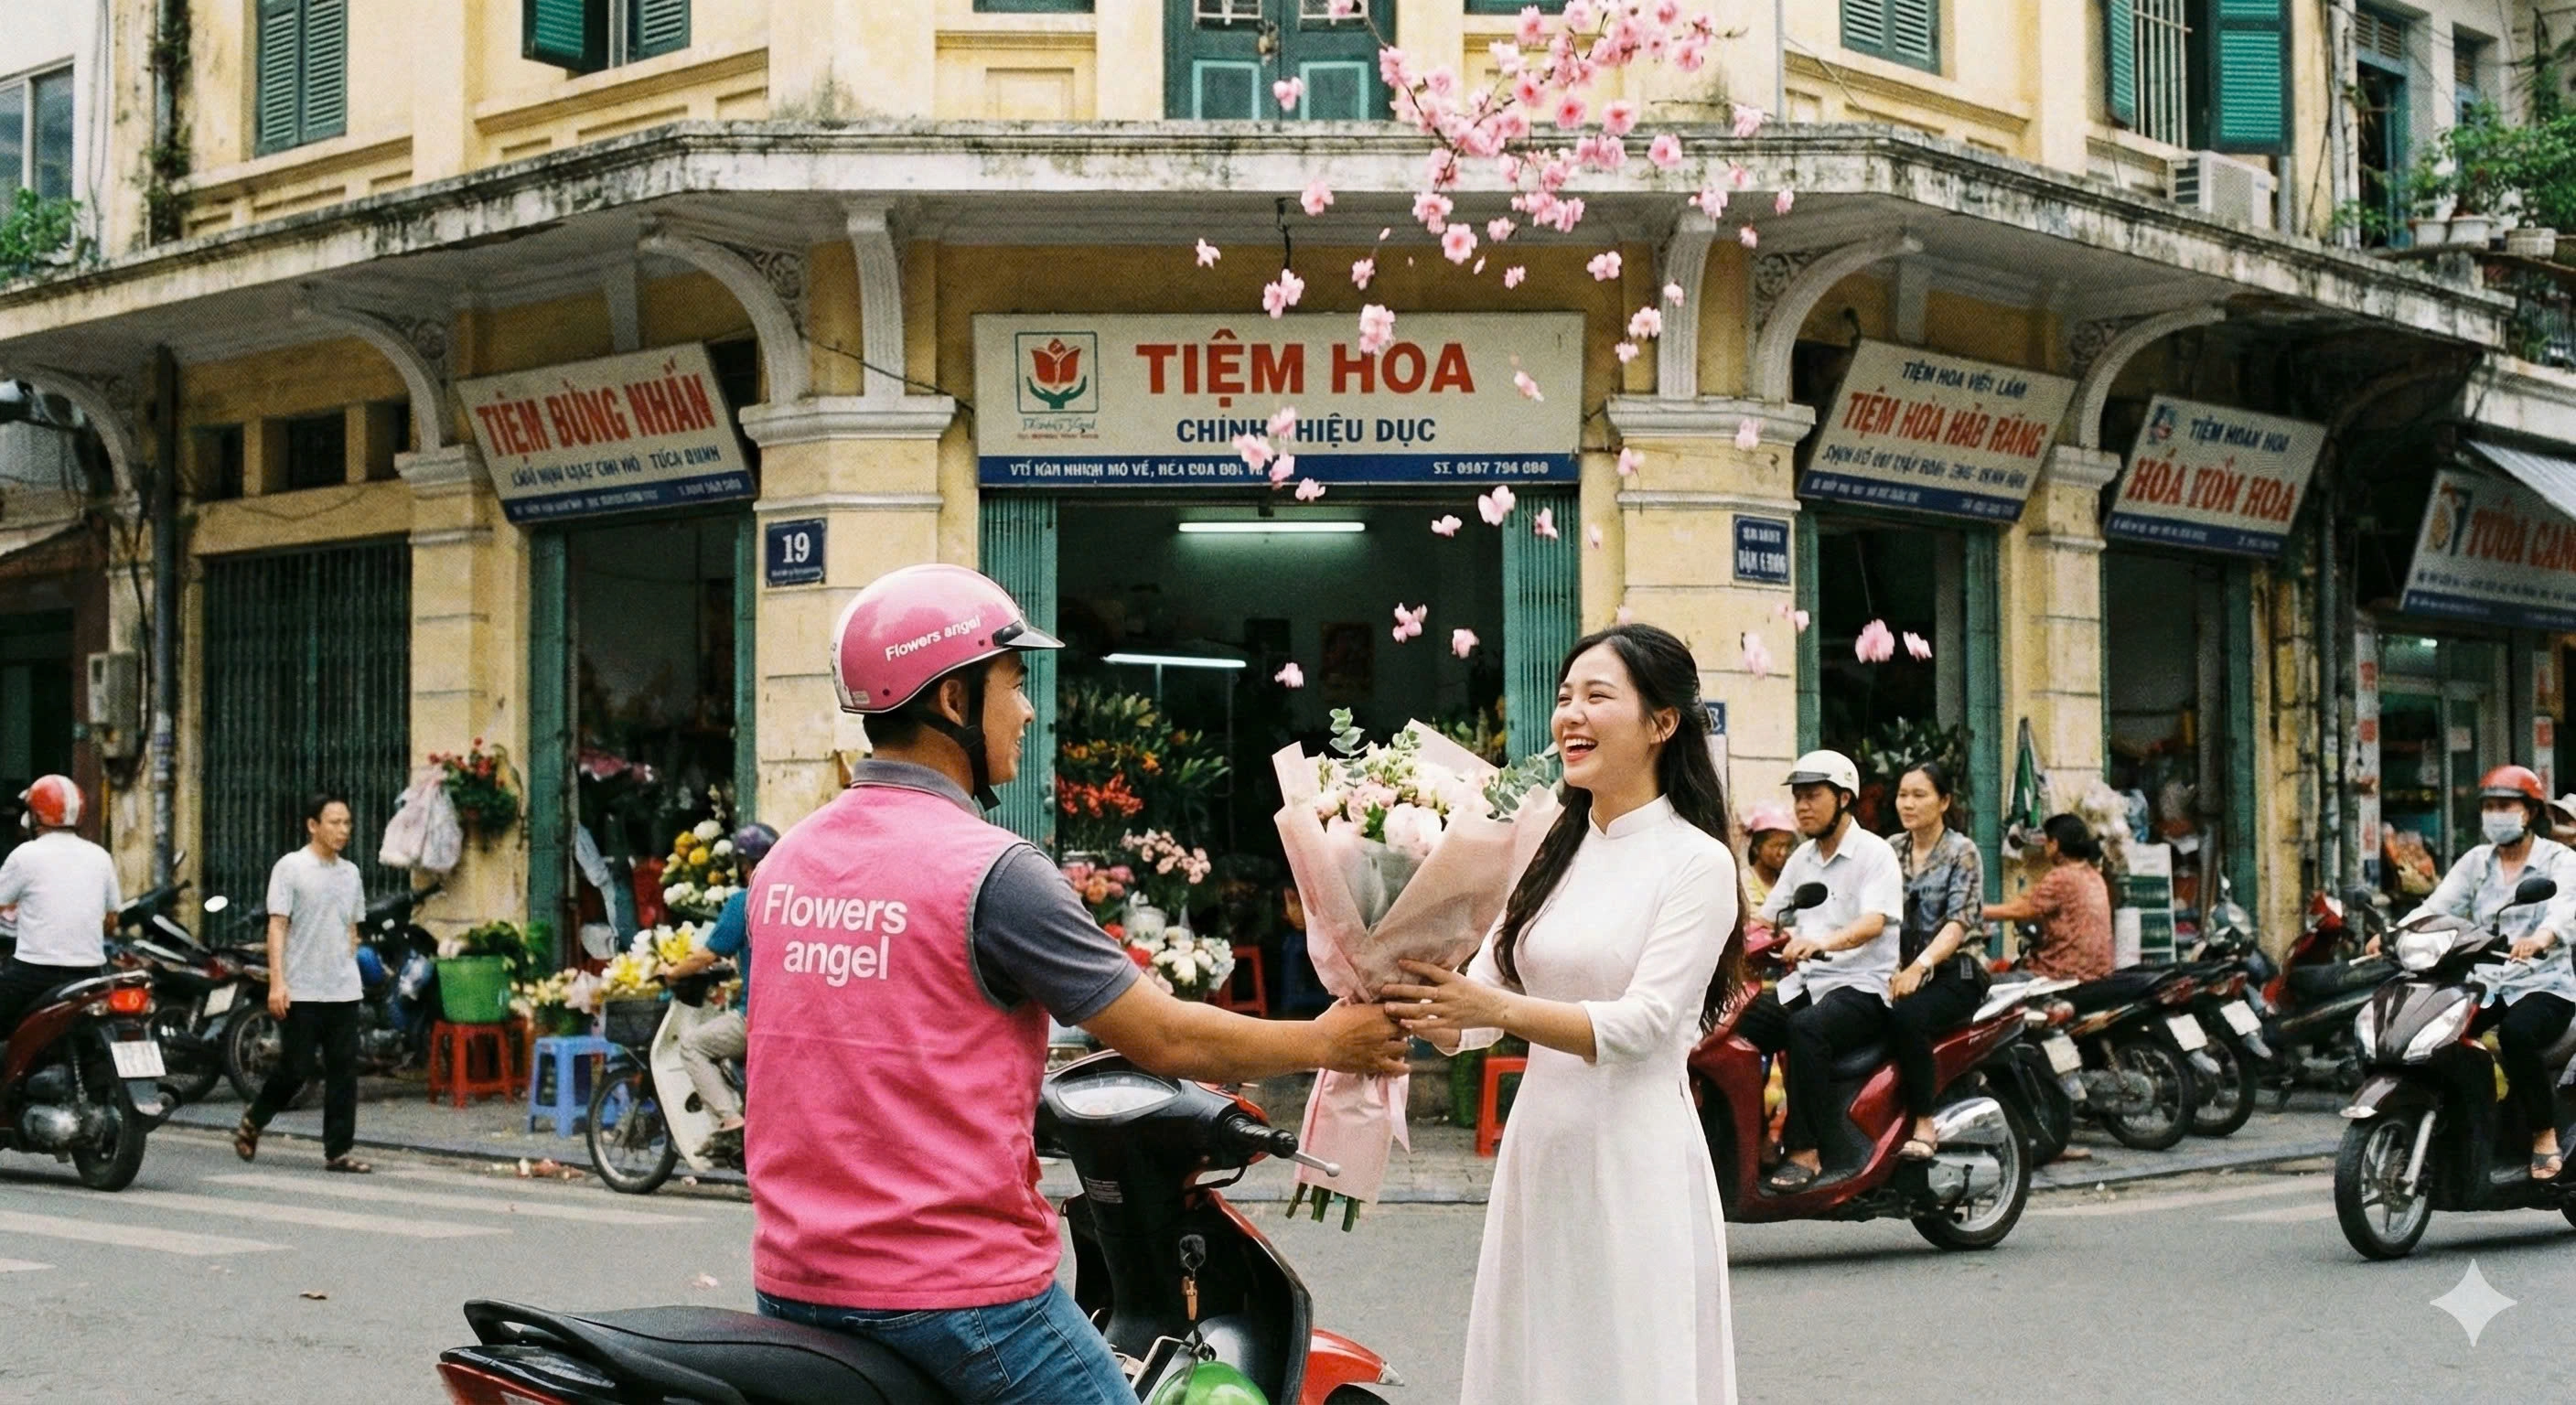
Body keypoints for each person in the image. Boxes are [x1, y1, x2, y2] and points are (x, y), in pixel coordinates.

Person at [747, 563, 1410, 1405]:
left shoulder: (787, 864)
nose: (1028, 711)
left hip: (796, 1286)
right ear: (953, 702)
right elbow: (1163, 1036)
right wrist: (1328, 1040)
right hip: (955, 1297)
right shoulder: (993, 872)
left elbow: (854, 1044)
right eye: (1012, 685)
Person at [1384, 622, 1744, 1405]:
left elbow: (1643, 1026)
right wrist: (1396, 985)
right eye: (1564, 697)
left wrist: (1491, 1005)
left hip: (1634, 1161)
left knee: (1627, 1368)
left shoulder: (1697, 863)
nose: (1570, 715)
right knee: (1539, 1364)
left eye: (1597, 696)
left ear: (1662, 722)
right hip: (1542, 1152)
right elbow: (1477, 1003)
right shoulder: (1551, 849)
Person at [1733, 749, 1904, 1192]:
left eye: (1813, 796)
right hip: (1806, 985)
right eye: (1798, 798)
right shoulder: (1802, 859)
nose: (1802, 807)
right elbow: (1767, 918)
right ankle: (1756, 1143)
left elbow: (1874, 922)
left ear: (1844, 798)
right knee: (1740, 1022)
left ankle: (1806, 1151)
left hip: (1862, 989)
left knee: (1807, 1029)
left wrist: (1822, 942)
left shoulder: (1875, 854)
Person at [2413, 766, 2576, 1180]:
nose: (2495, 814)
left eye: (2505, 805)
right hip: (2485, 984)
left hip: (2545, 986)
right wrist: (2397, 932)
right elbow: (2437, 907)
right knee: (2432, 1033)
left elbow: (2566, 910)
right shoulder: (2475, 862)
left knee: (2516, 1035)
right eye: (2488, 806)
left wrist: (2543, 937)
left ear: (2530, 812)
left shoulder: (2559, 860)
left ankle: (2544, 1134)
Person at [234, 792, 370, 1174]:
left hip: (343, 987)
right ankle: (254, 1120)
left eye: (347, 823)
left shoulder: (351, 873)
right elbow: (277, 926)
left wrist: (348, 958)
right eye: (334, 822)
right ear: (313, 825)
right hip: (302, 987)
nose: (343, 830)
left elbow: (352, 926)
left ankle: (338, 1152)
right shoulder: (291, 868)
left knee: (344, 1070)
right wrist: (278, 983)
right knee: (295, 1069)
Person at [1884, 761, 1989, 1161]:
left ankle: (1924, 1121)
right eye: (1902, 795)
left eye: (1919, 795)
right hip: (1898, 970)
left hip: (1955, 970)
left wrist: (1919, 966)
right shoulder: (1891, 849)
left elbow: (1959, 922)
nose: (1907, 804)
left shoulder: (1962, 851)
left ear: (1944, 801)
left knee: (1908, 1017)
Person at [662, 821, 777, 1145]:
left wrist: (673, 971)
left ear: (743, 864)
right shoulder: (793, 901)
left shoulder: (744, 901)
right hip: (791, 1018)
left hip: (755, 1019)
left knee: (693, 1045)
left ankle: (729, 1119)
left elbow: (706, 955)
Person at [0, 776, 120, 1035]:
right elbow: (111, 922)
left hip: (33, 976)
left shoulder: (25, 856)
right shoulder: (100, 856)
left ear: (36, 816)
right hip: (90, 974)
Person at [1983, 814, 2114, 983]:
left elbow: (2020, 910)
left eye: (2046, 841)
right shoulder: (2094, 876)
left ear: (2055, 844)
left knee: (1981, 987)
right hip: (2097, 974)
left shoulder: (2062, 877)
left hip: (2060, 975)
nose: (2044, 847)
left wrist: (1978, 911)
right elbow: (2033, 899)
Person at [1740, 802, 1797, 917]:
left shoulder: (1788, 881)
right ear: (1756, 847)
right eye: (1776, 845)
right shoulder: (1743, 882)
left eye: (1787, 846)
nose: (1783, 852)